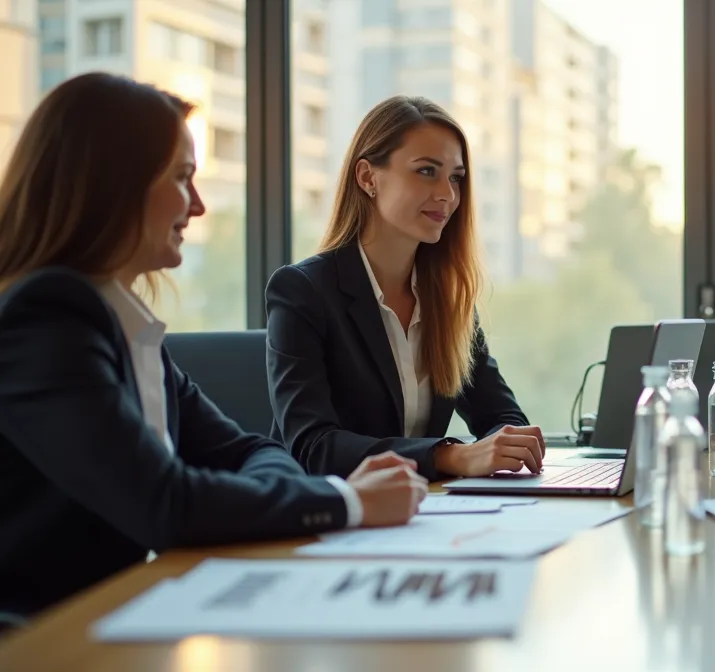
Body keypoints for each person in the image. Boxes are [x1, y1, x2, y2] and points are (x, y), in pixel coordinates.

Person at [0, 73, 427, 618]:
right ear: (113, 186)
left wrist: (280, 495)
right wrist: (347, 500)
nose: (197, 206)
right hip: (44, 637)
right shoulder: (47, 319)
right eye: (182, 178)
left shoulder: (124, 326)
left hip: (122, 613)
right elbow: (166, 504)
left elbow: (253, 451)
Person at [266, 96, 544, 482]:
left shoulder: (447, 299)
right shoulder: (303, 291)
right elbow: (314, 447)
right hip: (325, 520)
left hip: (421, 517)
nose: (447, 194)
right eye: (427, 171)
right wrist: (451, 456)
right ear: (368, 178)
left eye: (456, 177)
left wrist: (506, 444)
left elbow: (500, 415)